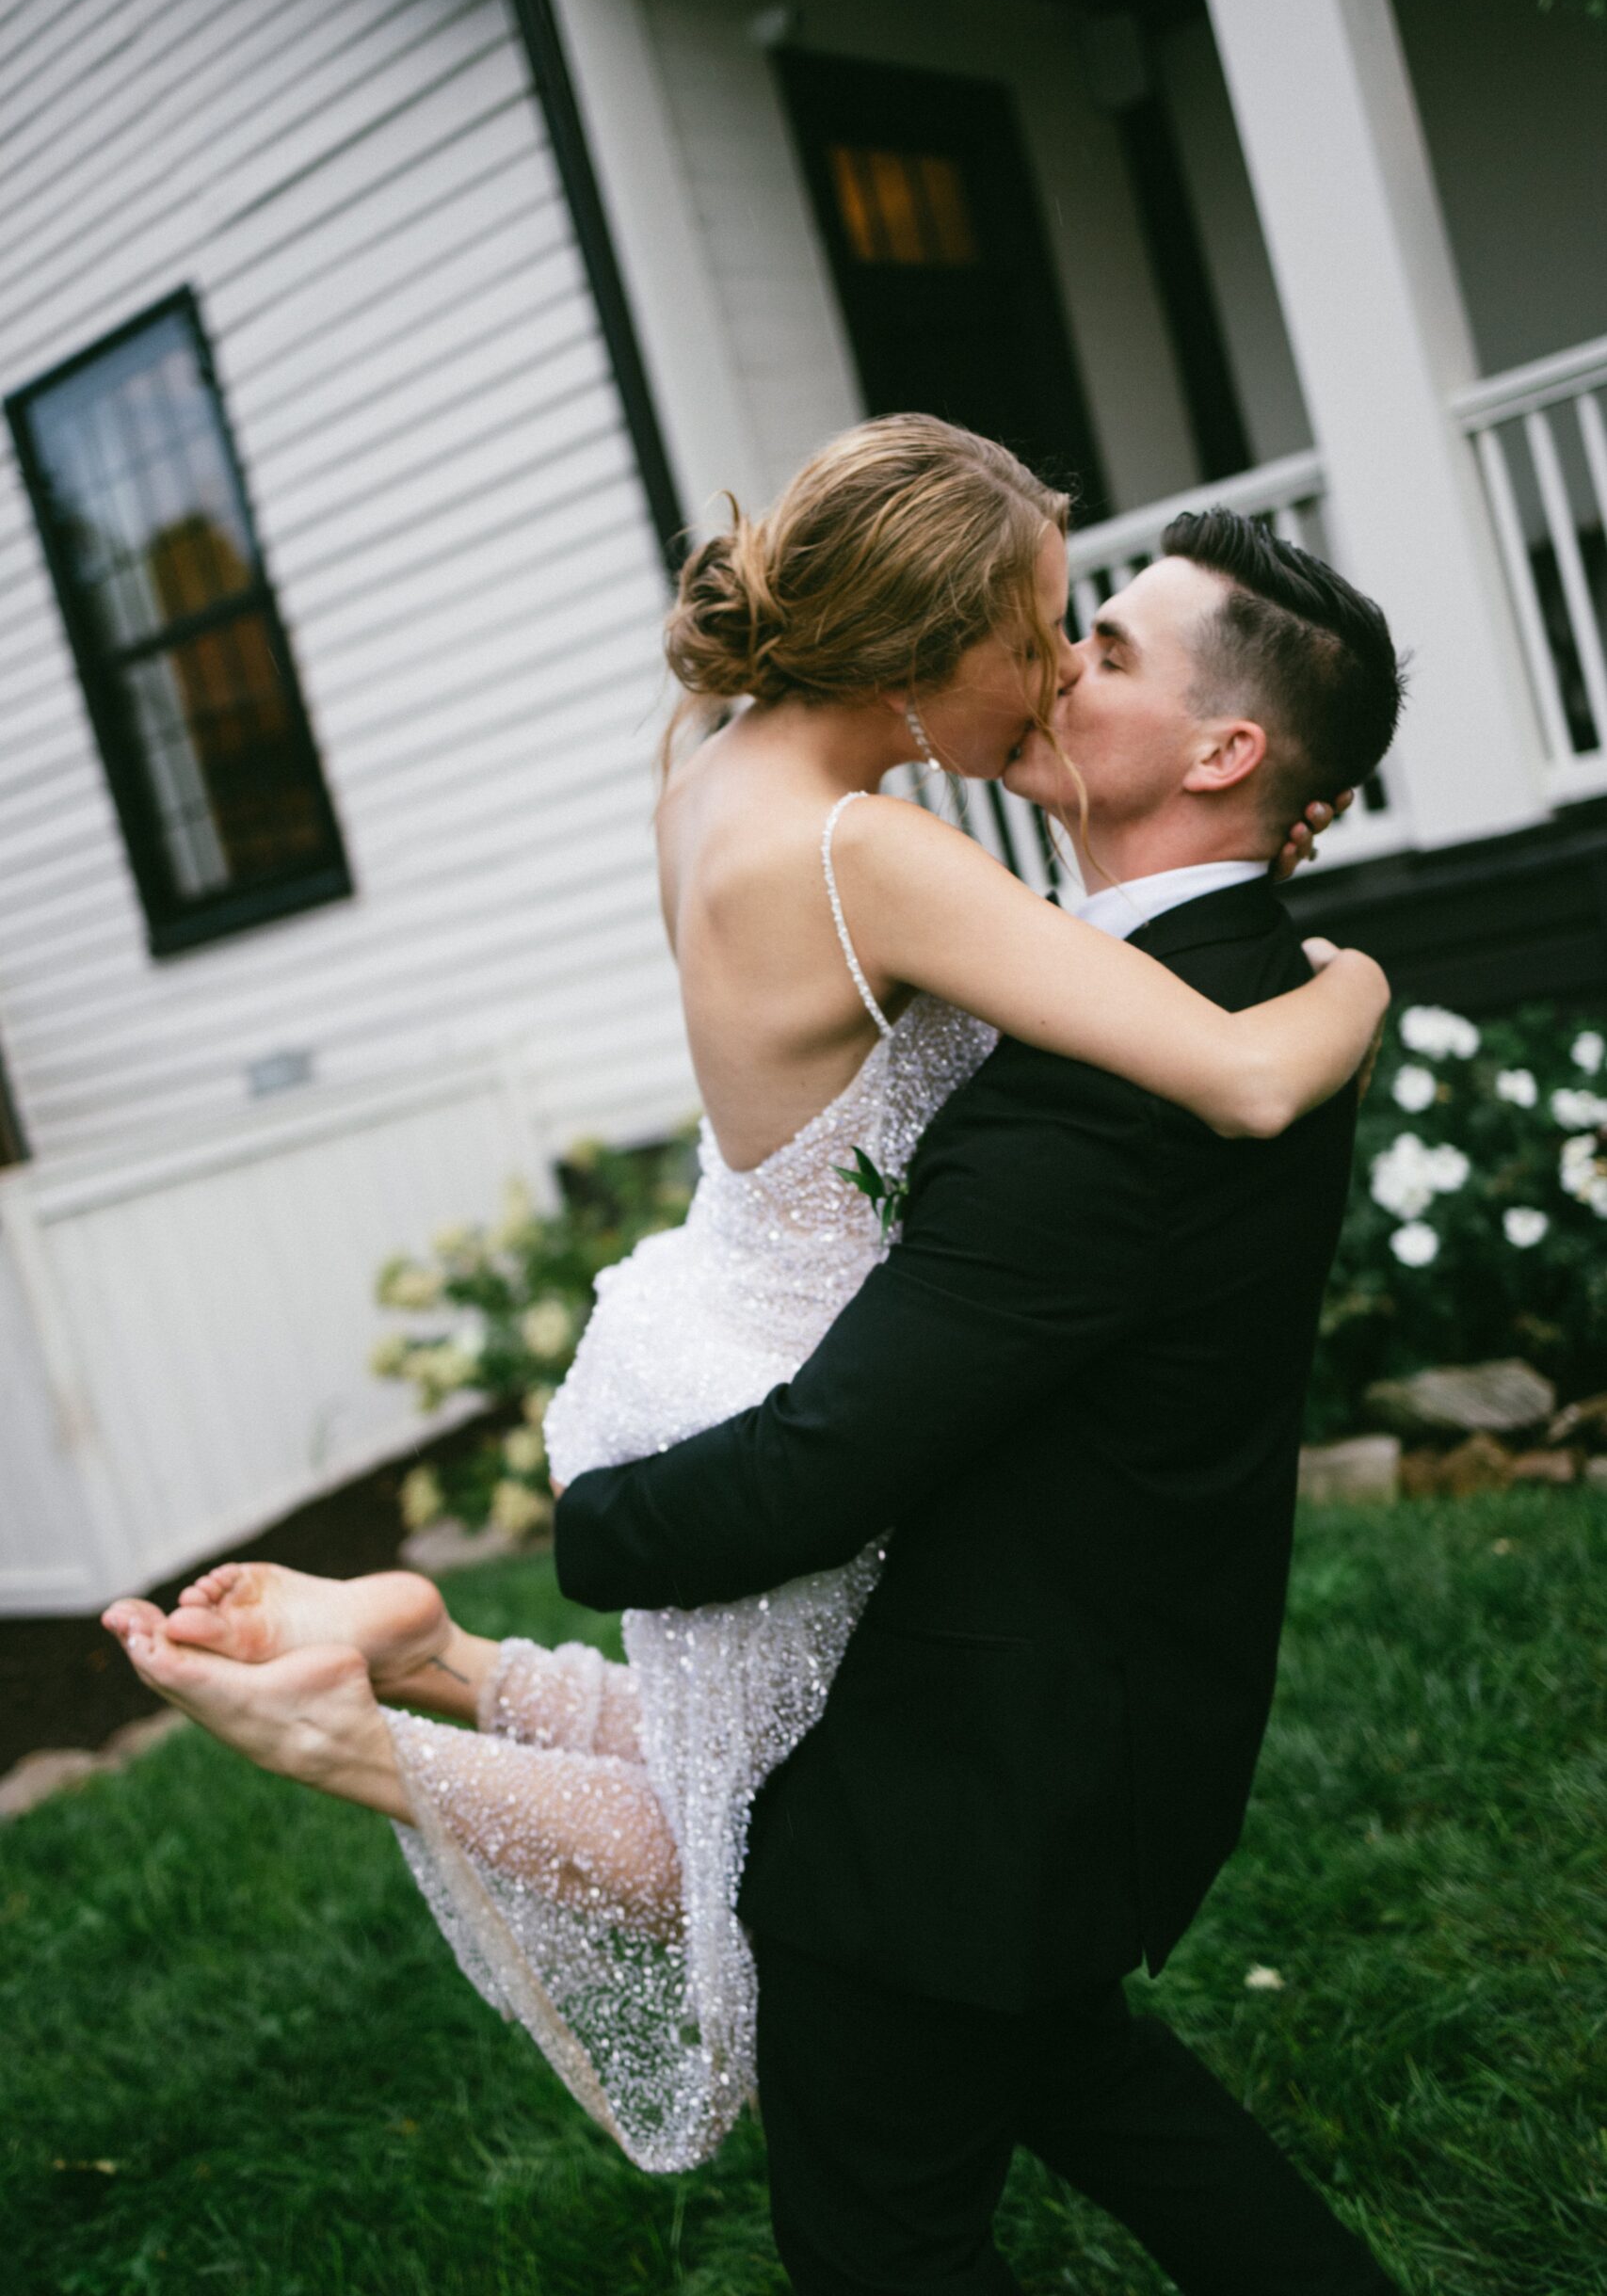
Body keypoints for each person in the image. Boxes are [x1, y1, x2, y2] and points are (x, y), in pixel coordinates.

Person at [103, 420, 1391, 2203]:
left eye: (1091, 643)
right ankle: (380, 1734)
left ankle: (432, 1680)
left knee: (767, 1818)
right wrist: (1360, 979)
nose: (1053, 669)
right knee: (758, 1839)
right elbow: (1241, 1074)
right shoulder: (880, 853)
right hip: (790, 1388)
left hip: (695, 1330)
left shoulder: (708, 776)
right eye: (1047, 630)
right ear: (937, 637)